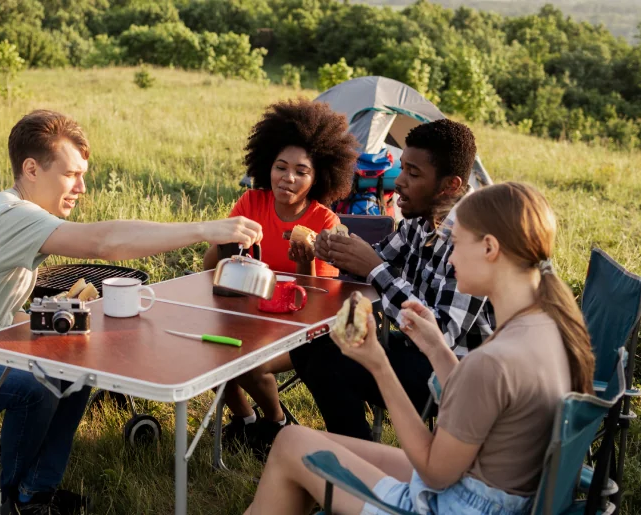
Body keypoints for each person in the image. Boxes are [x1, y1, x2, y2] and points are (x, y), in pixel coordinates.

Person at [0, 110, 263, 515]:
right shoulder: (9, 216)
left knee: (74, 365)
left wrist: (65, 326)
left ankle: (37, 493)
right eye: (71, 174)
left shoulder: (15, 216)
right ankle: (8, 498)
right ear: (31, 169)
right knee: (36, 388)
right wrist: (204, 229)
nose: (81, 187)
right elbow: (106, 241)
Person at [246, 182, 596, 515]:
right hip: (494, 494)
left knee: (291, 443)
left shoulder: (492, 359)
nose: (451, 258)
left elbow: (434, 473)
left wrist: (379, 365)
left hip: (453, 504)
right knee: (313, 443)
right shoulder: (549, 326)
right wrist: (435, 347)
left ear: (490, 248)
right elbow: (483, 405)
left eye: (456, 244)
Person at [290, 119, 494, 441]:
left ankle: (358, 460)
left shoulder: (474, 237)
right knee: (309, 346)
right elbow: (380, 257)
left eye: (413, 174)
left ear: (450, 185)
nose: (398, 182)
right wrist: (331, 250)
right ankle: (357, 448)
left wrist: (372, 267)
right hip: (421, 351)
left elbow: (443, 335)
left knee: (331, 361)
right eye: (402, 169)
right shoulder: (422, 220)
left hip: (461, 374)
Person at [202, 98, 357, 455]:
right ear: (266, 165)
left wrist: (304, 263)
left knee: (247, 362)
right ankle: (245, 419)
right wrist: (221, 239)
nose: (287, 178)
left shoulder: (324, 222)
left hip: (303, 330)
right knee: (208, 351)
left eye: (301, 171)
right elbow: (212, 268)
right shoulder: (250, 204)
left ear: (319, 177)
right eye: (280, 167)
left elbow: (318, 305)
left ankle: (277, 423)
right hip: (250, 316)